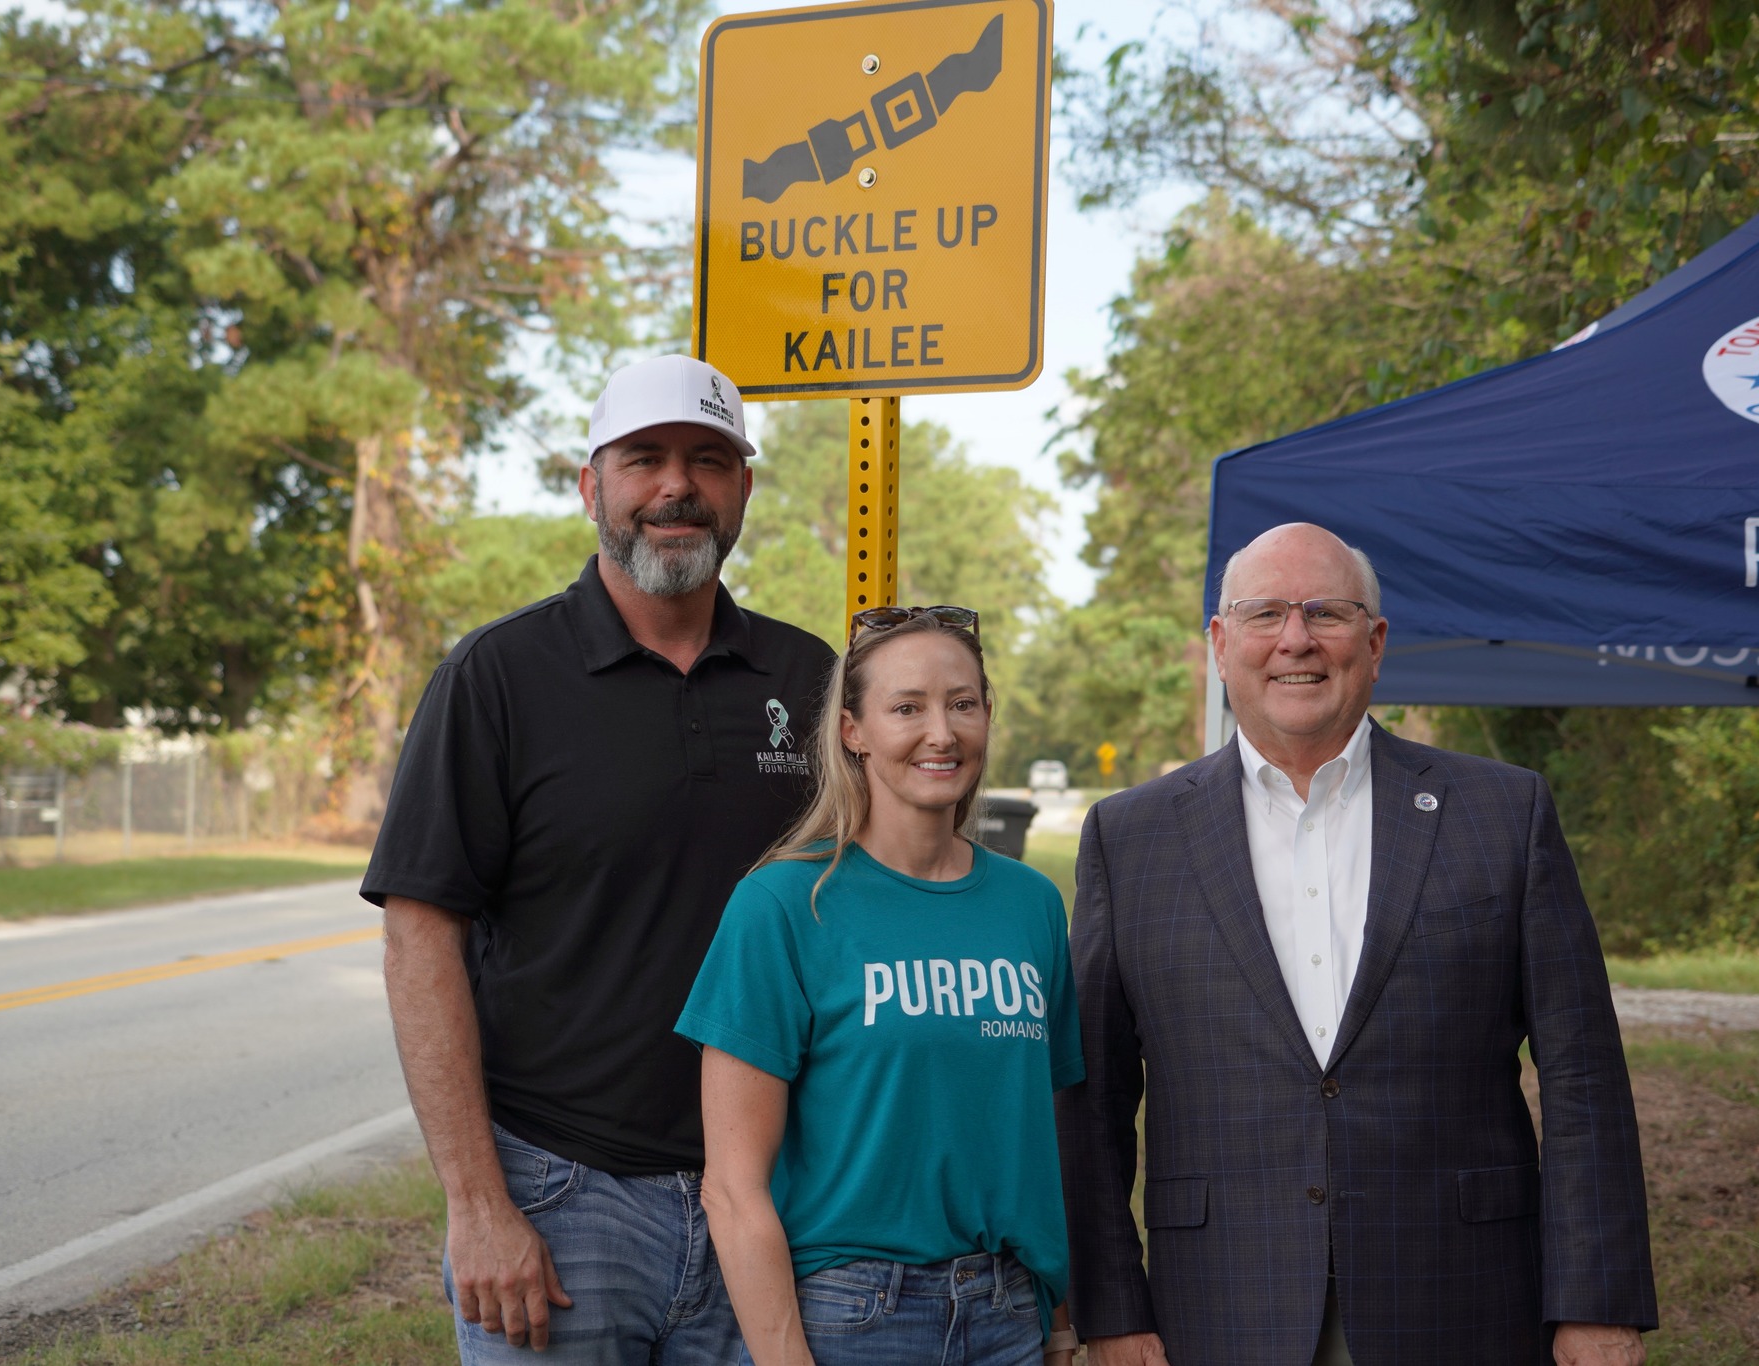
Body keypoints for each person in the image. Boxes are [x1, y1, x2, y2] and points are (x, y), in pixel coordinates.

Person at [1056, 523, 1657, 1366]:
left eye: (1325, 613)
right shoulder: (1130, 837)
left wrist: (1599, 1301)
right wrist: (1111, 1310)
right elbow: (1092, 1107)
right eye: (1264, 614)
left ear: (1374, 645)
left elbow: (1583, 1073)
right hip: (1220, 1305)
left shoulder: (1502, 814)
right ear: (1221, 646)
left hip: (1464, 1300)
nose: (1295, 639)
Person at [361, 354, 835, 1364]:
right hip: (561, 1196)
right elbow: (417, 942)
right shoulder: (498, 677)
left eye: (709, 461)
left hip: (771, 1198)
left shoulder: (810, 678)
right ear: (591, 485)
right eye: (644, 459)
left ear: (743, 488)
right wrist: (477, 1205)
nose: (677, 486)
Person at [675, 606, 1084, 1366]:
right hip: (855, 1316)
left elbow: (1042, 1141)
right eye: (907, 708)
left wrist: (1058, 1317)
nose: (941, 732)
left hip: (1006, 1314)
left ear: (988, 717)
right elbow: (733, 1191)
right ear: (853, 731)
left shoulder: (1032, 906)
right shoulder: (783, 906)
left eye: (962, 704)